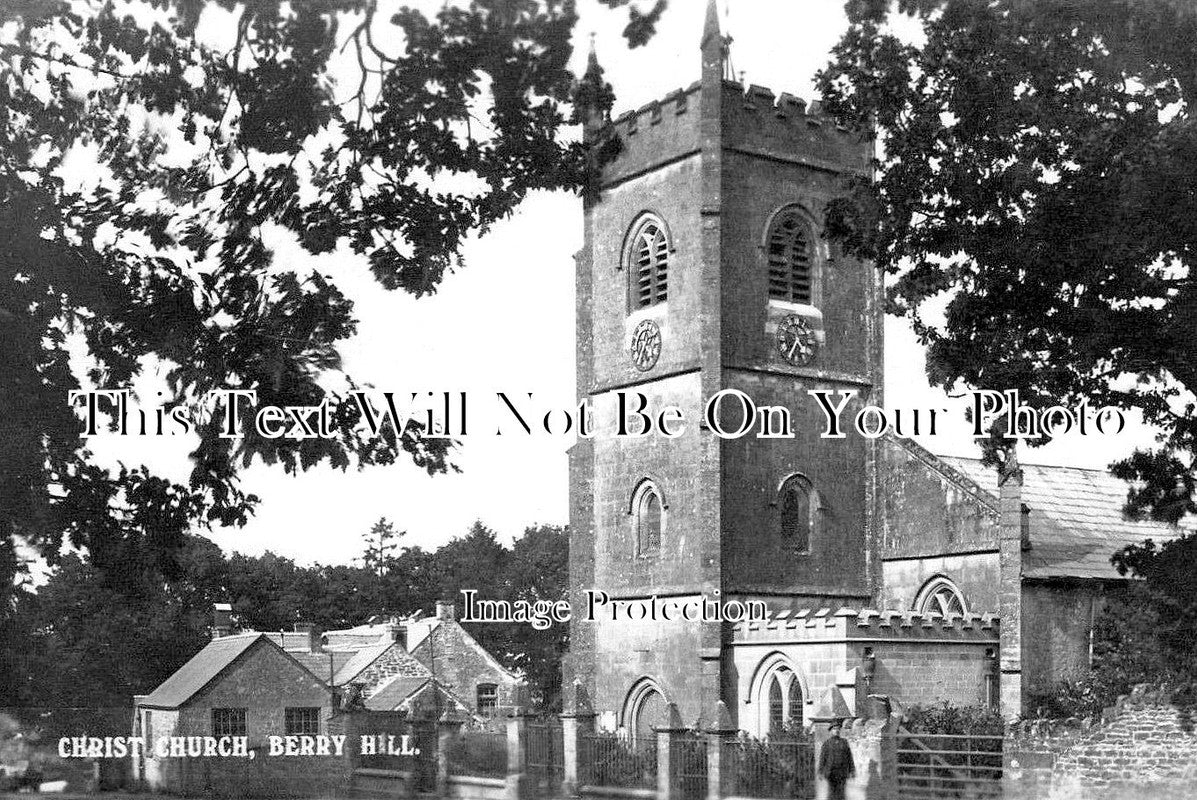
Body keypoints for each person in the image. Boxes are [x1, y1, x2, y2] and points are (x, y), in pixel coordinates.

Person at [817, 720, 855, 800]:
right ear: (830, 731)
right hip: (831, 772)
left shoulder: (844, 742)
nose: (836, 730)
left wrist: (852, 770)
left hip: (842, 772)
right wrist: (820, 772)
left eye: (838, 729)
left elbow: (849, 757)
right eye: (834, 729)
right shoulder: (827, 743)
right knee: (832, 794)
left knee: (841, 794)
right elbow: (822, 758)